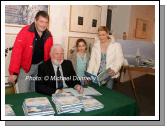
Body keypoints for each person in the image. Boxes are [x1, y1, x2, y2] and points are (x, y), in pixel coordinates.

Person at [8, 11, 53, 93]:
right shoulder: (25, 31)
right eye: (41, 21)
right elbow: (17, 52)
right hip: (26, 68)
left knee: (35, 93)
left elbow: (49, 54)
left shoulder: (49, 35)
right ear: (35, 21)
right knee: (24, 94)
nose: (43, 25)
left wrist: (49, 70)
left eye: (46, 22)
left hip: (39, 67)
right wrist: (13, 72)